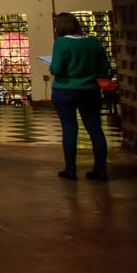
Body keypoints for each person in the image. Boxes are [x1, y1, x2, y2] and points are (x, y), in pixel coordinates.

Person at [50, 12, 112, 181]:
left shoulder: (61, 43)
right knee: (95, 128)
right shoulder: (93, 42)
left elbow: (56, 69)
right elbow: (104, 67)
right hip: (90, 90)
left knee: (70, 128)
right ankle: (100, 169)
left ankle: (70, 169)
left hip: (65, 91)